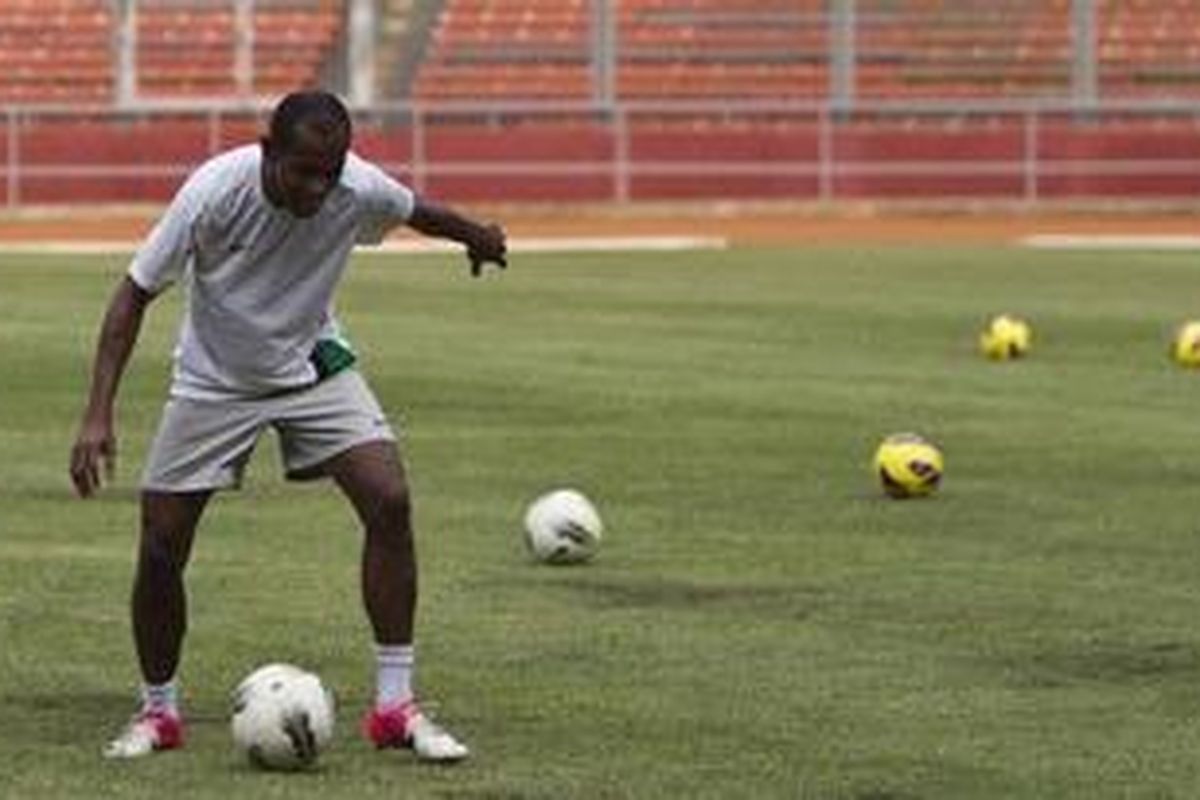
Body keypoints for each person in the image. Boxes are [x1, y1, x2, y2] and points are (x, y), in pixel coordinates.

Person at [68, 90, 507, 762]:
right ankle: (159, 714)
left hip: (310, 362)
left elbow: (418, 211)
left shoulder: (354, 187)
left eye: (328, 173)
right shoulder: (215, 191)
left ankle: (395, 708)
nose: (316, 188)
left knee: (388, 498)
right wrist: (98, 412)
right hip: (214, 377)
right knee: (161, 543)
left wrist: (478, 235)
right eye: (302, 170)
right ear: (268, 150)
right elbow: (134, 292)